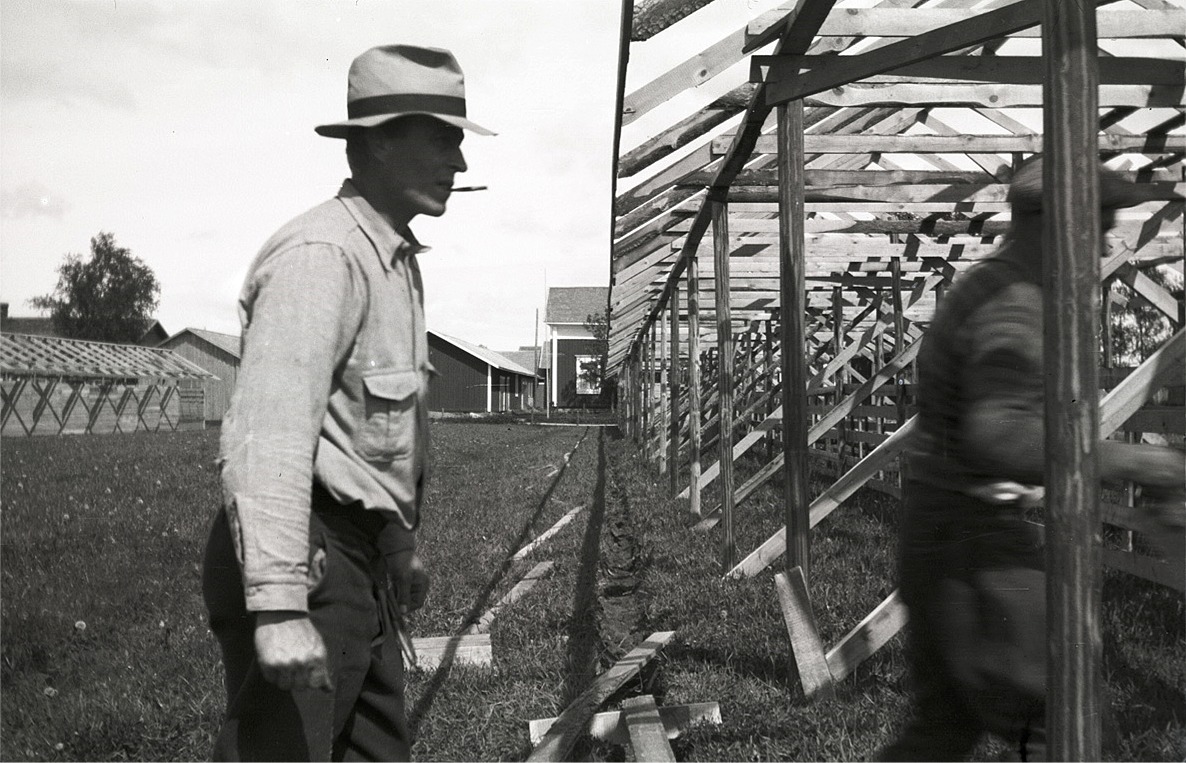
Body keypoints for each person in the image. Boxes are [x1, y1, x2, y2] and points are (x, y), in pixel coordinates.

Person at [201, 44, 493, 761]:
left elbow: (366, 437)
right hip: (308, 560)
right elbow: (268, 434)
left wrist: (394, 545)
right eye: (442, 138)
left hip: (354, 563)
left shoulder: (391, 263)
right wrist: (277, 607)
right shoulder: (322, 256)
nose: (459, 163)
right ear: (378, 140)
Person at [879, 156, 1185, 762]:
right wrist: (1146, 465)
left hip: (943, 540)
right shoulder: (1015, 301)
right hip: (974, 551)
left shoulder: (991, 285)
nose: (1106, 240)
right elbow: (999, 436)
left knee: (941, 734)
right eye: (1098, 224)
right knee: (1067, 723)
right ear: (1062, 224)